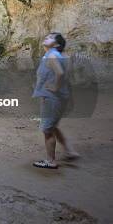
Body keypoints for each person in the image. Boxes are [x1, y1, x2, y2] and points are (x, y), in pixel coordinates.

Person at [32, 32, 80, 169]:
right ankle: (70, 151)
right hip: (58, 98)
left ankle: (51, 161)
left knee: (47, 130)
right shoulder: (58, 55)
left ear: (57, 44)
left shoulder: (52, 55)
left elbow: (60, 73)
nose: (47, 37)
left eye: (51, 37)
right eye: (47, 35)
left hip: (52, 98)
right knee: (52, 126)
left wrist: (54, 87)